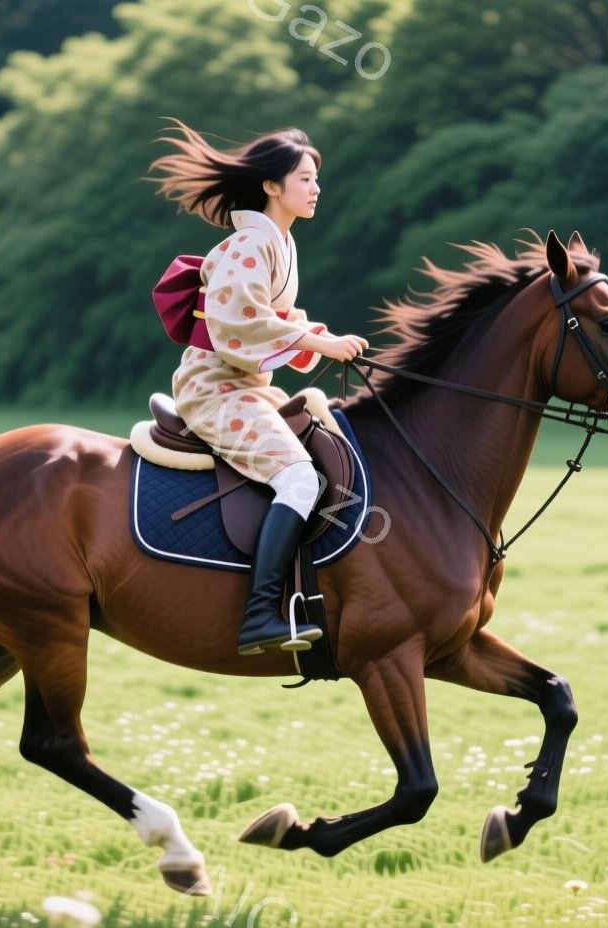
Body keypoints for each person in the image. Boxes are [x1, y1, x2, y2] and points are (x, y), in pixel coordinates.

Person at [148, 119, 369, 656]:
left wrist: (323, 339)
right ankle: (260, 616)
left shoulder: (279, 244)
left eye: (317, 179)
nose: (316, 188)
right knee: (298, 478)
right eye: (306, 178)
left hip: (246, 386)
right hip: (214, 389)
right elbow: (240, 323)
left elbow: (275, 318)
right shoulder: (250, 243)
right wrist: (320, 344)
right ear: (272, 185)